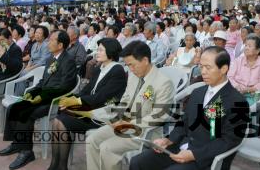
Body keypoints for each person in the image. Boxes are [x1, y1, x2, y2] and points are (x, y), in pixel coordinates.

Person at [130, 46, 249, 170]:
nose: (203, 72)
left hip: (205, 158)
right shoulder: (198, 92)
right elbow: (184, 122)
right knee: (138, 162)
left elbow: (228, 141)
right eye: (201, 67)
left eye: (208, 67)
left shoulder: (237, 102)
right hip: (181, 146)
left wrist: (194, 155)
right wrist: (168, 140)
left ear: (224, 69)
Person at [85, 41, 174, 170]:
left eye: (132, 65)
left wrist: (128, 124)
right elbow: (125, 101)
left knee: (107, 148)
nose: (130, 69)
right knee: (92, 140)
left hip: (144, 131)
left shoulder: (163, 83)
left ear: (145, 60)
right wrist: (114, 116)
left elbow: (158, 117)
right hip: (123, 123)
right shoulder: (133, 76)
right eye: (128, 65)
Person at [0, 30, 78, 170]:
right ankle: (17, 143)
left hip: (55, 100)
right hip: (43, 95)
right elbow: (43, 81)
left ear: (60, 45)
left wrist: (43, 96)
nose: (48, 42)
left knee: (26, 112)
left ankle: (27, 152)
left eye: (52, 40)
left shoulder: (69, 61)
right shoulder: (50, 59)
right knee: (14, 107)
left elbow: (65, 87)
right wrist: (33, 92)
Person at [47, 38, 127, 170]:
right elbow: (86, 90)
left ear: (111, 52)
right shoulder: (99, 68)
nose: (97, 53)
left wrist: (76, 102)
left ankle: (60, 166)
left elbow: (101, 98)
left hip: (102, 114)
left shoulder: (117, 70)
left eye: (101, 50)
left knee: (61, 121)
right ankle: (55, 164)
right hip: (90, 109)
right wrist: (71, 99)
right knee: (58, 119)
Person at [228, 35, 260, 104]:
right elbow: (230, 76)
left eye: (249, 46)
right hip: (235, 90)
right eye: (245, 45)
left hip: (252, 94)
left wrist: (247, 90)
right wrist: (237, 87)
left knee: (238, 107)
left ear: (257, 50)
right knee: (218, 105)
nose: (246, 48)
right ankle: (212, 115)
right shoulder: (238, 61)